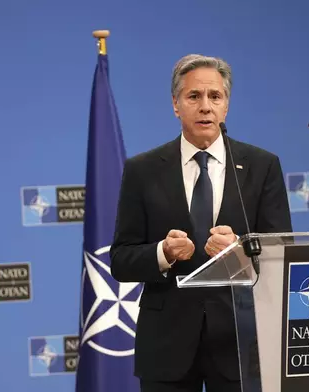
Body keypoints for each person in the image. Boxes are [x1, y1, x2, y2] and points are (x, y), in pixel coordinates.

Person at [109, 54, 293, 392]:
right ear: (176, 105)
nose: (205, 106)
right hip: (167, 346)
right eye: (194, 97)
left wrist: (239, 250)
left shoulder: (262, 166)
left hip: (241, 342)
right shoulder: (143, 170)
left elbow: (282, 257)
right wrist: (162, 253)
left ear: (226, 106)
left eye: (215, 96)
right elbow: (120, 259)